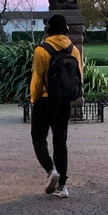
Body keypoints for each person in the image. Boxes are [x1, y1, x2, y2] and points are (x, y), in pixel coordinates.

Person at [29, 13, 83, 199]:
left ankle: (51, 170)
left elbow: (37, 79)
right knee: (60, 141)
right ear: (66, 29)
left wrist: (34, 100)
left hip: (44, 100)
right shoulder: (73, 50)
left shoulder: (41, 50)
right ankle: (63, 186)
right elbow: (79, 76)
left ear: (48, 30)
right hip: (64, 102)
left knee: (38, 138)